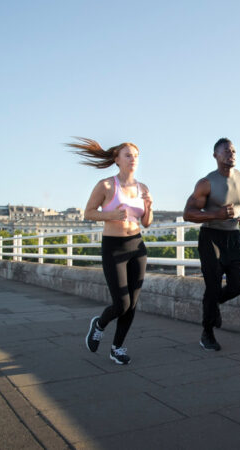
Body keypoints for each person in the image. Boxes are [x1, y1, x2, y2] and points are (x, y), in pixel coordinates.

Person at [69, 137, 153, 364]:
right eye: (128, 155)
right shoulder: (106, 185)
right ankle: (100, 324)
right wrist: (110, 215)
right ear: (117, 159)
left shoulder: (142, 187)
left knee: (132, 304)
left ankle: (118, 347)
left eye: (136, 155)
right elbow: (88, 212)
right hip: (114, 247)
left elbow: (147, 222)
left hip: (137, 246)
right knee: (121, 303)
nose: (133, 159)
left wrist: (149, 206)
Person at [183, 137, 240, 351]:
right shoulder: (206, 183)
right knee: (212, 286)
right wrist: (217, 214)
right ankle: (207, 333)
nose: (231, 153)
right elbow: (188, 214)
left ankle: (213, 306)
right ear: (215, 156)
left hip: (234, 238)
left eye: (233, 150)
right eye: (226, 151)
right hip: (211, 238)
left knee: (239, 284)